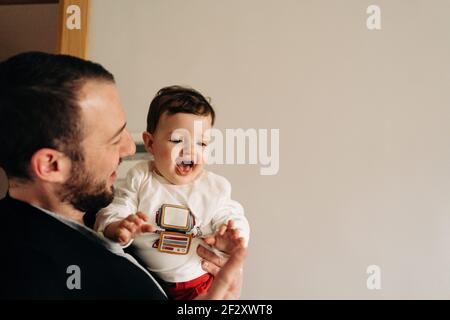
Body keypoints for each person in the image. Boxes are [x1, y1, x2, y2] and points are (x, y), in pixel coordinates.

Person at [0, 51, 246, 299]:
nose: (130, 148)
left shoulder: (105, 215)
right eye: (114, 139)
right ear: (52, 165)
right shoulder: (33, 279)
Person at [94, 86, 250, 299]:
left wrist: (231, 239)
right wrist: (117, 226)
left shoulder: (214, 187)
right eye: (177, 140)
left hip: (200, 284)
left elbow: (232, 216)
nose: (190, 150)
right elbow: (119, 206)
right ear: (150, 143)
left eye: (201, 143)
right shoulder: (141, 177)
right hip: (148, 279)